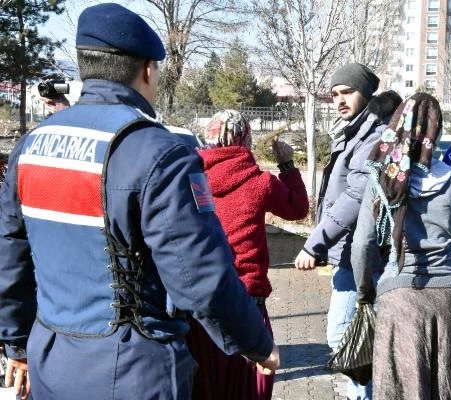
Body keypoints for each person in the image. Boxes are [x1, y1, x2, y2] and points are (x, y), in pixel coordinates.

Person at [0, 3, 279, 399]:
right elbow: (197, 273)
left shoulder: (33, 144)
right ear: (148, 70)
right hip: (133, 368)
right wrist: (255, 342)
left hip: (52, 358)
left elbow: (11, 252)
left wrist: (16, 342)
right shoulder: (158, 151)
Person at [351, 92, 451, 399]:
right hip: (448, 294)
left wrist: (365, 294)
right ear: (437, 131)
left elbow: (362, 245)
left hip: (399, 293)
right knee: (442, 381)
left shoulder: (381, 178)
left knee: (399, 385)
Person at [294, 62, 401, 399]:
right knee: (357, 338)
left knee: (345, 335)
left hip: (367, 255)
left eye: (347, 92)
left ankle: (371, 393)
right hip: (351, 254)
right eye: (335, 94)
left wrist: (315, 244)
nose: (339, 100)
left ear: (366, 95)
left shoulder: (374, 137)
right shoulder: (354, 131)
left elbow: (355, 196)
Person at [186, 110, 309, 400]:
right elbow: (298, 208)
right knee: (250, 388)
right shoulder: (259, 182)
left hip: (203, 300)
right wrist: (287, 164)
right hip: (247, 303)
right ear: (245, 139)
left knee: (204, 388)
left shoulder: (191, 179)